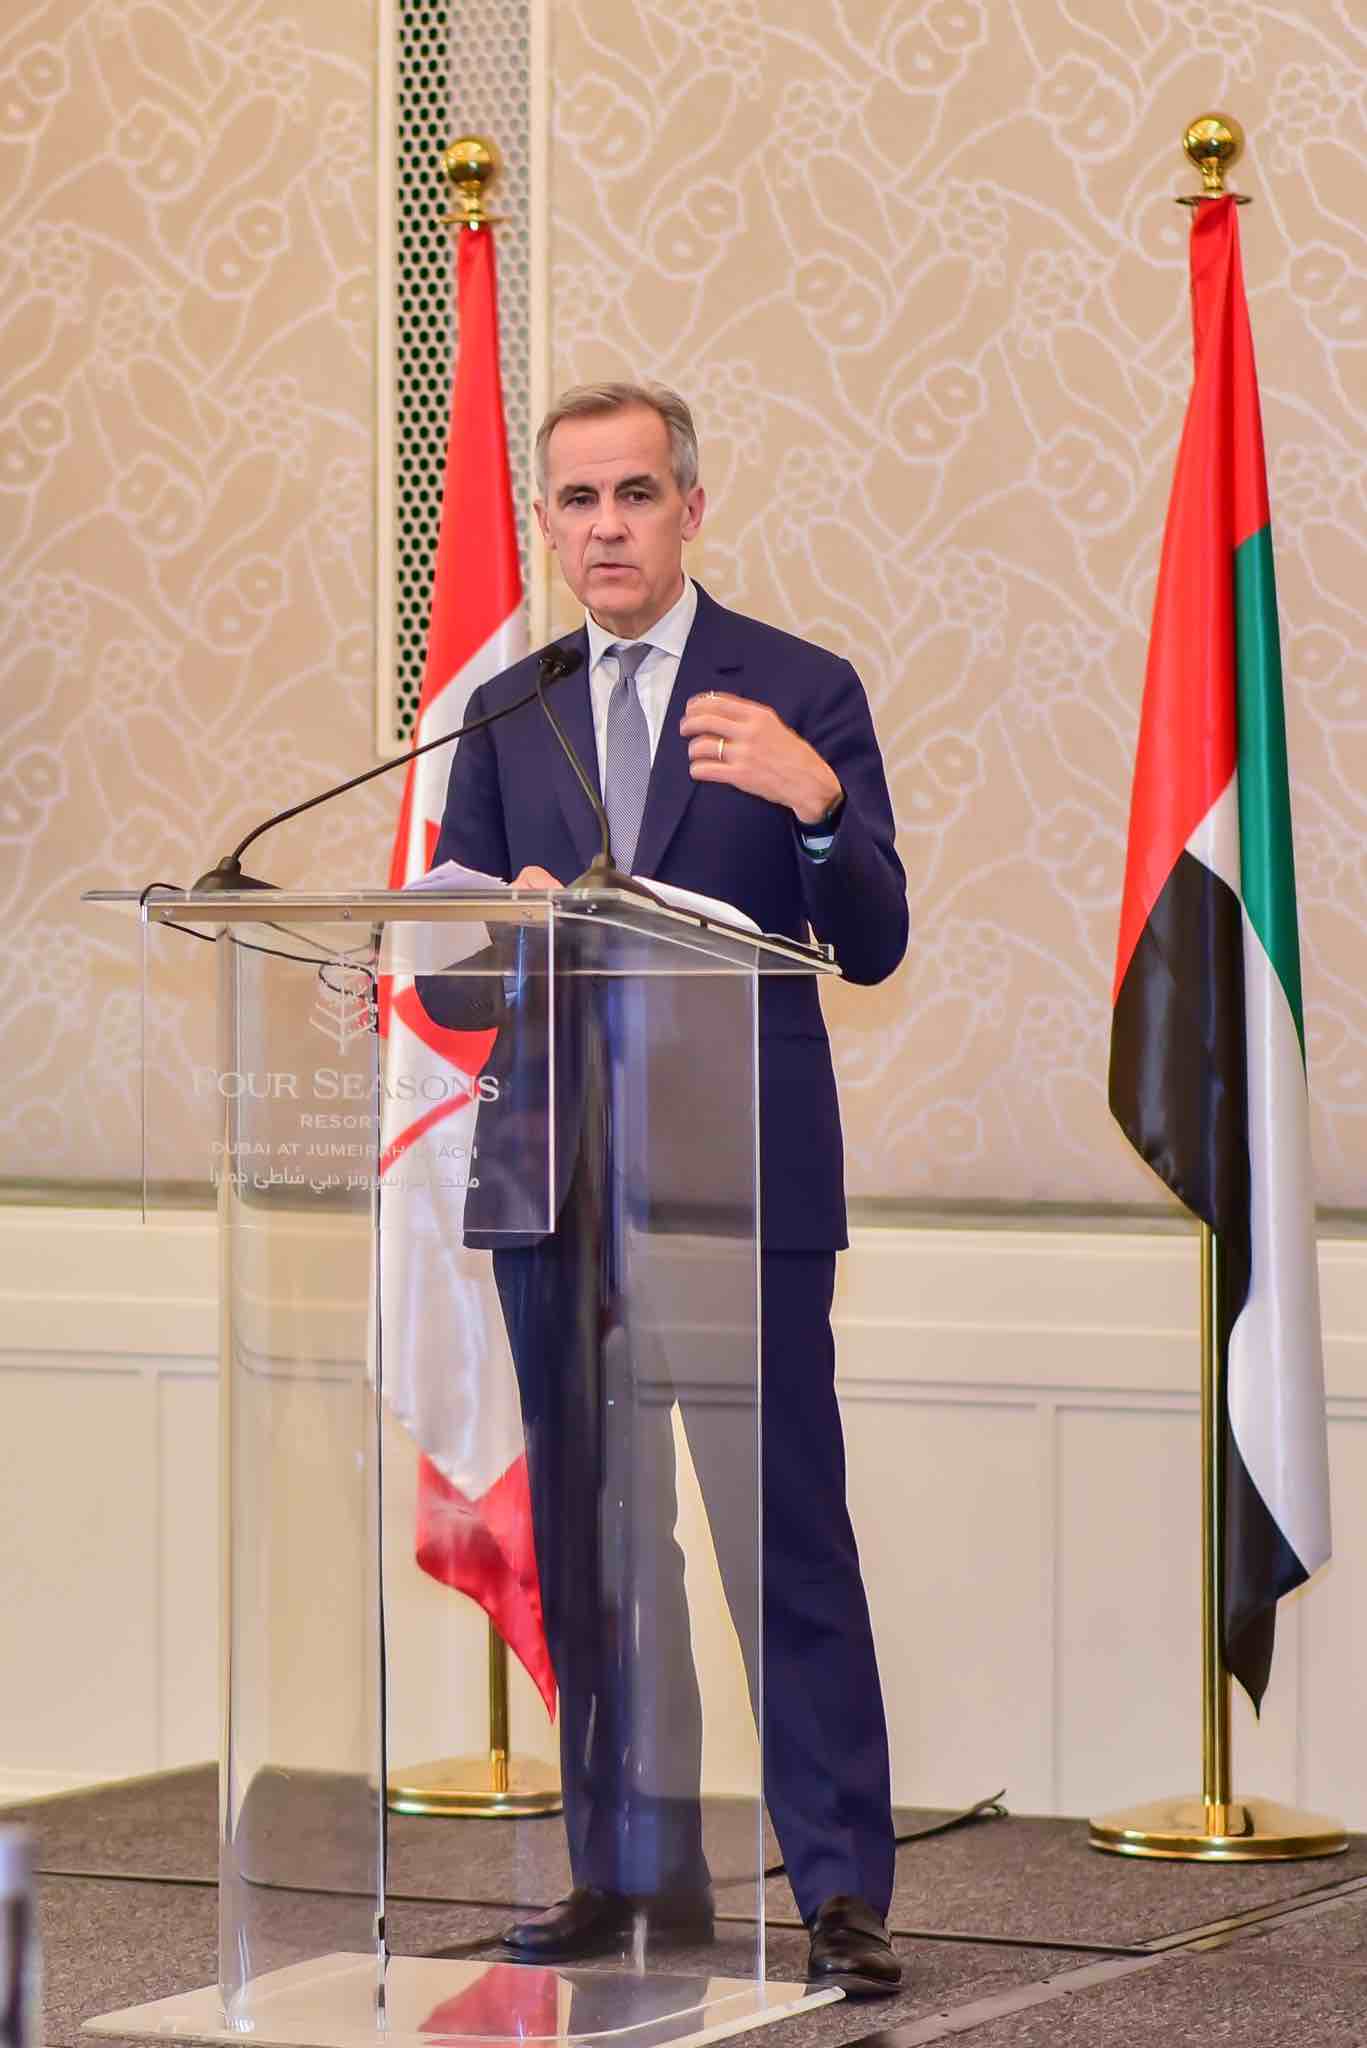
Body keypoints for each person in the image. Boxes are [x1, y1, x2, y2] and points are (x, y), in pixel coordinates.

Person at [426, 382, 909, 1998]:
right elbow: (459, 978)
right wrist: (507, 926)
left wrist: (815, 803)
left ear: (691, 506)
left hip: (739, 1186)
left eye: (636, 493)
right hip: (557, 1186)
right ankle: (633, 1875)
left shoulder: (799, 688)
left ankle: (839, 1891)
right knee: (599, 1545)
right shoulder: (510, 706)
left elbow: (876, 939)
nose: (608, 526)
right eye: (578, 501)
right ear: (547, 524)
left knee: (785, 1540)